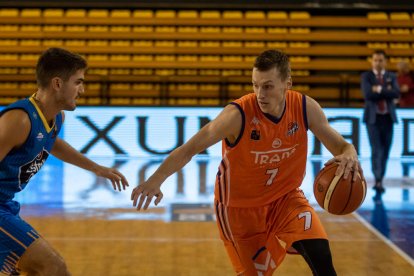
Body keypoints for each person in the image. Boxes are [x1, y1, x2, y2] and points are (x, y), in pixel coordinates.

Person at [132, 49, 363, 275]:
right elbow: (189, 149)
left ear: (287, 83)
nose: (260, 94)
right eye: (255, 85)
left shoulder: (304, 107)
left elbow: (342, 146)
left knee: (321, 255)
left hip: (285, 199)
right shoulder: (237, 115)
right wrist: (156, 179)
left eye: (268, 86)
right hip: (239, 210)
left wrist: (350, 153)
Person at [0, 48, 129, 275]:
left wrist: (97, 169)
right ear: (58, 84)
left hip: (6, 204)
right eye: (78, 82)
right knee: (53, 267)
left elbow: (52, 143)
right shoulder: (18, 120)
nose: (82, 90)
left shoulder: (55, 116)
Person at [361, 50, 400, 193]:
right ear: (372, 61)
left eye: (380, 60)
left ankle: (381, 177)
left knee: (386, 150)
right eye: (375, 60)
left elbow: (396, 93)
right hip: (373, 119)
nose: (378, 63)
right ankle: (377, 180)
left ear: (385, 61)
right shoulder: (366, 76)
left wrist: (378, 89)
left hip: (388, 118)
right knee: (376, 149)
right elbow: (367, 94)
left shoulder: (392, 76)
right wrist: (385, 91)